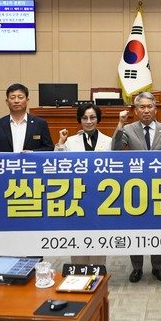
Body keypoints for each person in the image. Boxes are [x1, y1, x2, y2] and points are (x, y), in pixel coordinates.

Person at [111, 92, 161, 283]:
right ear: (136, 110)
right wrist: (120, 124)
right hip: (136, 188)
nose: (146, 110)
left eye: (149, 107)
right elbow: (115, 149)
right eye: (142, 107)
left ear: (155, 109)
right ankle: (136, 267)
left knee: (158, 228)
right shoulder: (128, 129)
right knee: (136, 228)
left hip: (159, 189)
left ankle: (158, 267)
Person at [57, 102, 111, 265]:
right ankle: (79, 273)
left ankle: (98, 273)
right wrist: (61, 143)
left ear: (98, 119)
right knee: (78, 239)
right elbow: (58, 164)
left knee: (98, 240)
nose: (88, 121)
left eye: (92, 117)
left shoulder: (108, 141)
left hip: (101, 198)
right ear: (79, 120)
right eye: (84, 118)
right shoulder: (70, 141)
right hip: (77, 197)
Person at [0, 83, 54, 152]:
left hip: (29, 164)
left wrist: (32, 153)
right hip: (6, 164)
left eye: (20, 97)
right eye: (12, 98)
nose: (16, 101)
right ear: (7, 102)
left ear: (27, 100)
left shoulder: (39, 123)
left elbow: (49, 148)